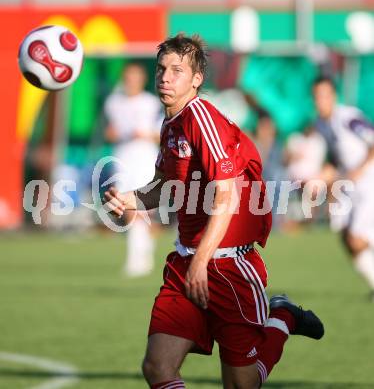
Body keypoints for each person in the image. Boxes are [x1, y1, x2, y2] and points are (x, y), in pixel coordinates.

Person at [105, 34, 324, 389]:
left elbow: (228, 194)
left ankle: (283, 317)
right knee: (157, 368)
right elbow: (163, 186)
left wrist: (200, 261)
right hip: (186, 263)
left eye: (177, 70)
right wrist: (127, 199)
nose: (165, 77)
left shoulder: (200, 118)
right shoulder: (170, 124)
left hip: (228, 267)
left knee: (242, 384)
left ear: (196, 79)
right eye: (161, 69)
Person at [313, 76, 374, 301]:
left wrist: (360, 169)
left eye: (325, 96)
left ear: (334, 97)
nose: (321, 101)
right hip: (350, 186)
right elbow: (335, 161)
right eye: (317, 96)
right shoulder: (321, 124)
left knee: (358, 238)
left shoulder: (348, 118)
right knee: (345, 236)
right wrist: (320, 180)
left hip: (369, 181)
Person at [104, 62, 161, 277]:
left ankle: (138, 257)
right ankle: (140, 253)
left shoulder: (152, 103)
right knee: (127, 208)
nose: (131, 81)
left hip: (145, 158)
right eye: (128, 77)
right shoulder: (113, 103)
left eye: (135, 77)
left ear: (142, 80)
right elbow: (109, 131)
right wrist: (120, 134)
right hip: (123, 159)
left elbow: (160, 134)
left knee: (142, 208)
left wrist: (144, 134)